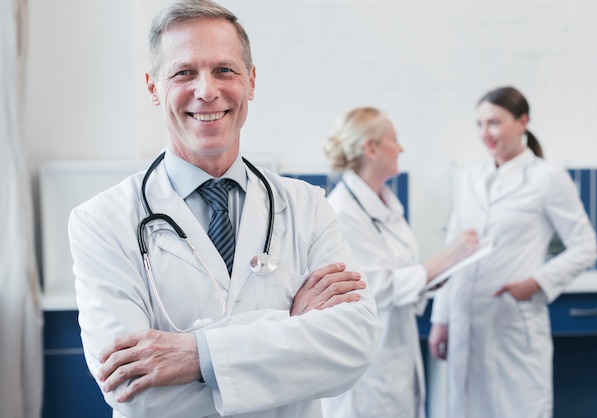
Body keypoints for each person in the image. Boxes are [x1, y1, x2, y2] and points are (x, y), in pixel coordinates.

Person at [67, 2, 381, 417]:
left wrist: (196, 355)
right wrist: (291, 325)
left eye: (224, 70)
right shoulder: (101, 221)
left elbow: (353, 343)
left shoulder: (307, 206)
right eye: (183, 72)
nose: (206, 91)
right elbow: (131, 385)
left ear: (250, 81)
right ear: (152, 88)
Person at [428, 86, 597, 418]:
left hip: (512, 321)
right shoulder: (470, 178)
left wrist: (536, 282)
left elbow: (585, 245)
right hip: (464, 318)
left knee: (517, 409)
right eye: (479, 124)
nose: (485, 134)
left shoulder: (548, 179)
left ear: (523, 122)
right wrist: (441, 319)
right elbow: (454, 252)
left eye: (494, 123)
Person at [320, 106, 479, 418]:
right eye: (394, 139)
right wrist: (450, 255)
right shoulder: (342, 212)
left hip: (396, 354)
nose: (401, 148)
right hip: (367, 364)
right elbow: (374, 287)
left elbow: (403, 275)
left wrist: (432, 278)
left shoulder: (388, 204)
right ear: (371, 148)